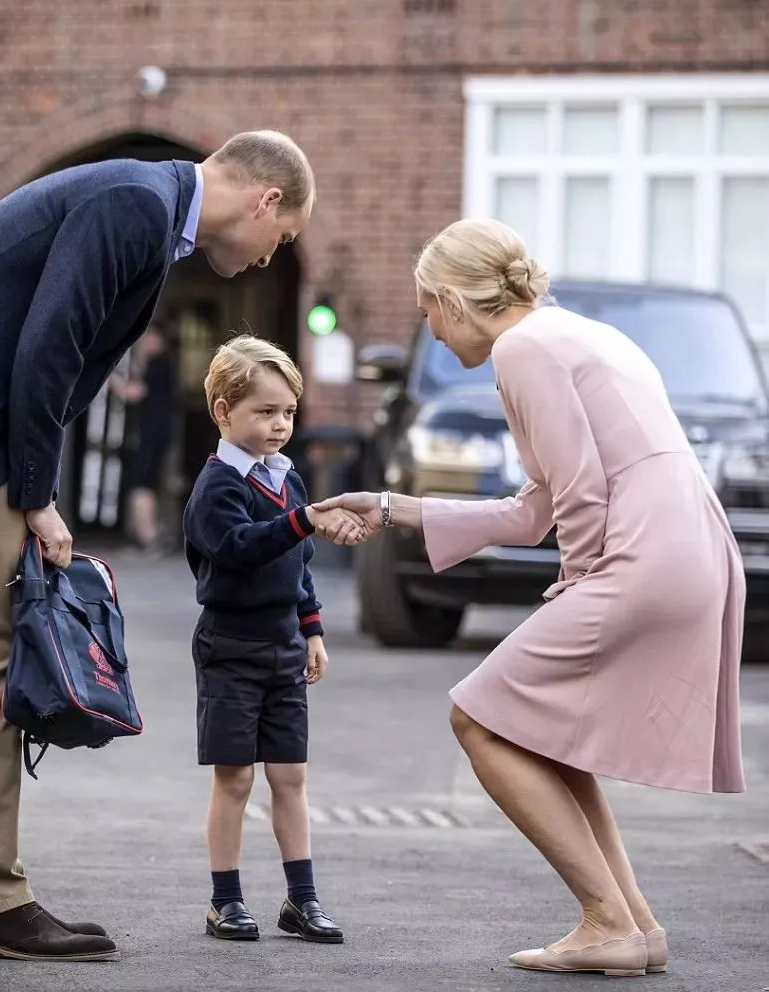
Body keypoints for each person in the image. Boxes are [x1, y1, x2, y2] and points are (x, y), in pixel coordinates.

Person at [0, 131, 315, 962]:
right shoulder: (136, 203)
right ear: (265, 201)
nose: (274, 257)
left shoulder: (149, 205)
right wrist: (37, 493)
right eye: (285, 238)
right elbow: (47, 347)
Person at [314, 218, 745, 977]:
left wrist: (575, 589)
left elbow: (578, 494)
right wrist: (388, 505)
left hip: (639, 557)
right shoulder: (575, 335)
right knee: (551, 732)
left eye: (427, 316)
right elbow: (529, 508)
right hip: (688, 549)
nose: (435, 337)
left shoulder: (523, 349)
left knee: (477, 716)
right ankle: (633, 923)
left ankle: (606, 917)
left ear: (454, 299)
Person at [182, 335, 362, 944]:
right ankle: (224, 901)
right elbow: (240, 548)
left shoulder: (288, 480)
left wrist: (311, 630)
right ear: (223, 411)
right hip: (230, 647)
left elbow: (298, 565)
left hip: (284, 646)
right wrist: (301, 520)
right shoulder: (216, 489)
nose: (280, 424)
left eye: (288, 411)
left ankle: (301, 900)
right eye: (264, 411)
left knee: (290, 778)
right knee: (234, 778)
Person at [109, 325, 176, 552]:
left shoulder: (158, 363)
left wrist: (108, 379)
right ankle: (145, 535)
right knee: (145, 482)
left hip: (150, 433)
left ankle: (148, 537)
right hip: (155, 433)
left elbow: (134, 393)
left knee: (140, 482)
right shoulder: (159, 363)